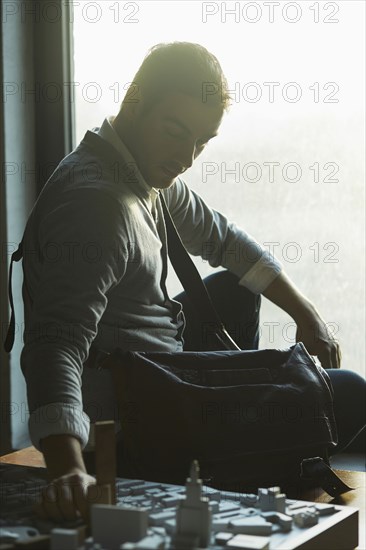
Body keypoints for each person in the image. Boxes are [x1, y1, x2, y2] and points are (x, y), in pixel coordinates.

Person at [12, 42, 364, 522]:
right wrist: (68, 470)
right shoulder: (97, 207)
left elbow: (223, 238)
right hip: (137, 423)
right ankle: (237, 452)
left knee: (237, 287)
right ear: (134, 103)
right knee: (348, 394)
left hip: (162, 374)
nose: (187, 157)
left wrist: (306, 314)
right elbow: (54, 345)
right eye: (176, 132)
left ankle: (240, 441)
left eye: (202, 142)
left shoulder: (134, 169)